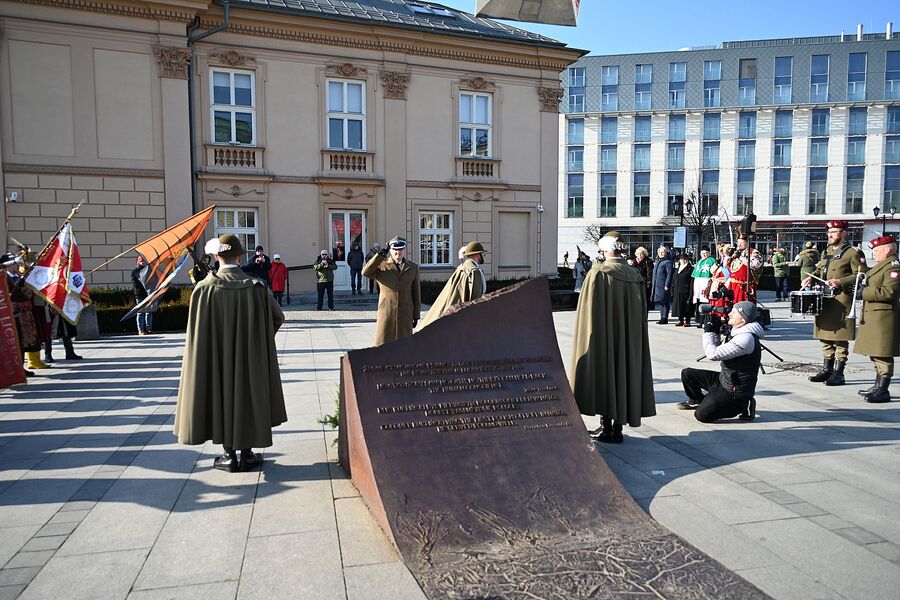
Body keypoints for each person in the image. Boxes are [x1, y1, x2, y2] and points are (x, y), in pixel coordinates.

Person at [175, 234, 287, 472]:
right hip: (250, 355)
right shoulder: (257, 287)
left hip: (214, 357)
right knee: (248, 395)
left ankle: (228, 455)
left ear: (217, 256)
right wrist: (259, 340)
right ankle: (246, 454)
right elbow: (278, 317)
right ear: (239, 256)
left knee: (220, 396)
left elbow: (195, 331)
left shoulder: (203, 289)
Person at [571, 231, 655, 443]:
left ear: (606, 249)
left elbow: (587, 314)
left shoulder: (598, 273)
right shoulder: (634, 275)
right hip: (629, 338)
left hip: (604, 336)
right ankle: (617, 428)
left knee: (606, 374)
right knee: (624, 373)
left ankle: (606, 427)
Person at [802, 221, 868, 386]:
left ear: (844, 233)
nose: (830, 235)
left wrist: (841, 281)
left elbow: (862, 274)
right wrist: (812, 276)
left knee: (840, 338)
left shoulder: (852, 252)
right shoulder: (827, 251)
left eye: (834, 231)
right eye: (829, 232)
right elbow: (821, 270)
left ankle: (839, 373)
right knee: (824, 335)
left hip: (841, 300)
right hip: (825, 299)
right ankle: (826, 369)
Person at [677, 301, 763, 422]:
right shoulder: (737, 332)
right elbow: (719, 347)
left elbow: (713, 354)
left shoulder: (746, 339)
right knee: (687, 374)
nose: (729, 314)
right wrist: (715, 331)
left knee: (702, 415)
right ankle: (697, 401)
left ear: (743, 320)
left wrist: (708, 332)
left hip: (735, 391)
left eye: (734, 312)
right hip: (725, 380)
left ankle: (744, 404)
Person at [852, 235, 899, 403]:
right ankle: (877, 385)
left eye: (877, 251)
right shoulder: (882, 266)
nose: (874, 254)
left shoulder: (893, 267)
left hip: (883, 316)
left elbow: (890, 292)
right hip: (874, 314)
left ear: (887, 249)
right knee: (875, 352)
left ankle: (883, 389)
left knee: (883, 353)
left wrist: (864, 292)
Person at [363, 236, 421, 346]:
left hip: (405, 313)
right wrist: (379, 256)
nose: (398, 252)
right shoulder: (381, 266)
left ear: (404, 250)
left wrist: (416, 315)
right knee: (383, 346)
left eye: (400, 250)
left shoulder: (413, 267)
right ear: (390, 250)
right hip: (387, 312)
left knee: (405, 347)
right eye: (395, 250)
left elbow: (416, 293)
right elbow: (365, 272)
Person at [419, 241, 486, 330]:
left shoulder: (462, 267)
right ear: (477, 255)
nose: (483, 255)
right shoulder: (474, 271)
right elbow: (475, 299)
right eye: (482, 253)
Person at [691, 247, 716, 324]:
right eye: (702, 253)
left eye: (705, 253)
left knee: (705, 300)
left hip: (706, 281)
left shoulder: (712, 261)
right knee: (698, 300)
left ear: (709, 253)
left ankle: (705, 320)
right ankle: (698, 319)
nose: (704, 255)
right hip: (698, 282)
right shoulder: (699, 261)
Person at [651, 245, 674, 324]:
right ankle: (662, 317)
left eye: (663, 252)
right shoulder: (657, 261)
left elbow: (669, 274)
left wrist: (667, 285)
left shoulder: (668, 262)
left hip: (663, 284)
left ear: (666, 253)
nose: (661, 253)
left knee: (665, 302)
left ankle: (665, 318)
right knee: (661, 302)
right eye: (660, 252)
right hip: (657, 285)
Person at [672, 253, 694, 327]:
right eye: (682, 259)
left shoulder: (690, 269)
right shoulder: (677, 268)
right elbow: (674, 279)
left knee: (687, 306)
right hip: (677, 289)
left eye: (685, 260)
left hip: (686, 290)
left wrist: (691, 293)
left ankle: (687, 321)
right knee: (679, 306)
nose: (683, 261)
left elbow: (691, 282)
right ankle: (680, 319)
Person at [132, 256, 152, 335]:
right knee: (140, 312)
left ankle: (149, 329)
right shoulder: (135, 272)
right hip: (140, 294)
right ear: (138, 262)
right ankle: (140, 330)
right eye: (142, 261)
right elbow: (135, 284)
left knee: (149, 311)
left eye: (144, 261)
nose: (143, 262)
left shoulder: (148, 270)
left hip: (148, 294)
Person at [633, 246, 654, 311]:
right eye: (638, 254)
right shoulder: (634, 261)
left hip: (644, 283)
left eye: (641, 254)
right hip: (635, 283)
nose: (640, 255)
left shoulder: (648, 261)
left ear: (644, 254)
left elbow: (649, 274)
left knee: (645, 301)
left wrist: (648, 285)